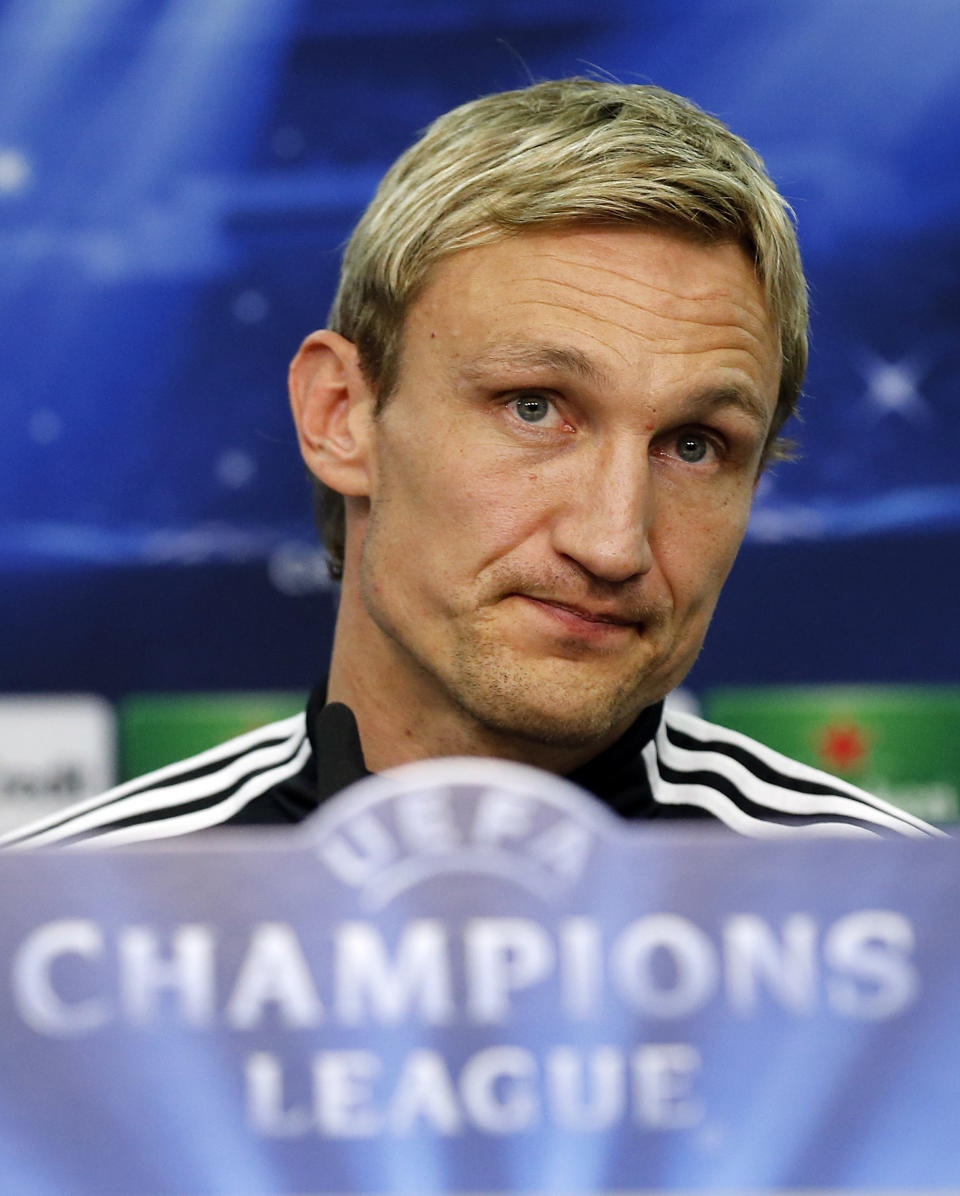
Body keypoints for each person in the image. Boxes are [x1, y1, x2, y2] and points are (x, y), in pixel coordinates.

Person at [3, 78, 936, 847]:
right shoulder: (55, 934)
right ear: (342, 416)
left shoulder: (913, 943)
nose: (613, 542)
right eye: (536, 408)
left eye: (694, 446)